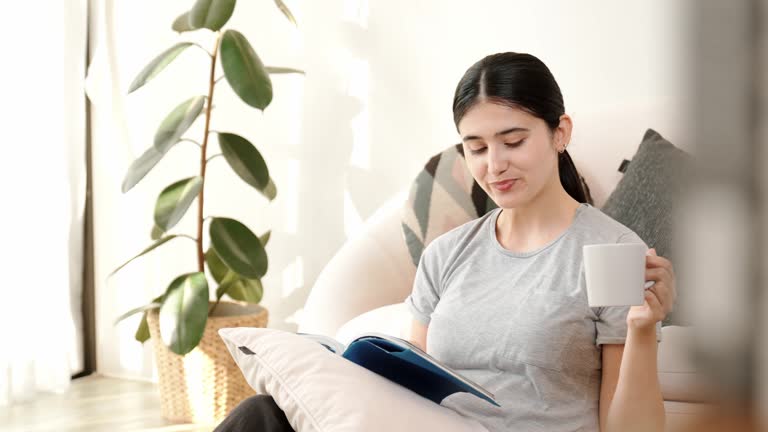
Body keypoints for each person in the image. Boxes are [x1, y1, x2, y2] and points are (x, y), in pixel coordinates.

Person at [214, 52, 677, 432]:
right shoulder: (448, 253)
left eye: (512, 141)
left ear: (561, 132)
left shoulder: (610, 252)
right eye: (475, 147)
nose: (494, 165)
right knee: (262, 416)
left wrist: (639, 330)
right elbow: (415, 385)